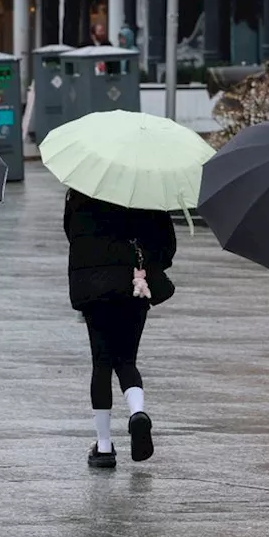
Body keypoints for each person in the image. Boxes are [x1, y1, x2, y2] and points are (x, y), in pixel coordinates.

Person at [64, 189, 176, 468]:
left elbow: (72, 233)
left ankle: (103, 447)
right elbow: (166, 245)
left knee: (101, 363)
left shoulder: (80, 190)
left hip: (93, 286)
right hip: (134, 283)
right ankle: (138, 412)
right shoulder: (147, 189)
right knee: (126, 359)